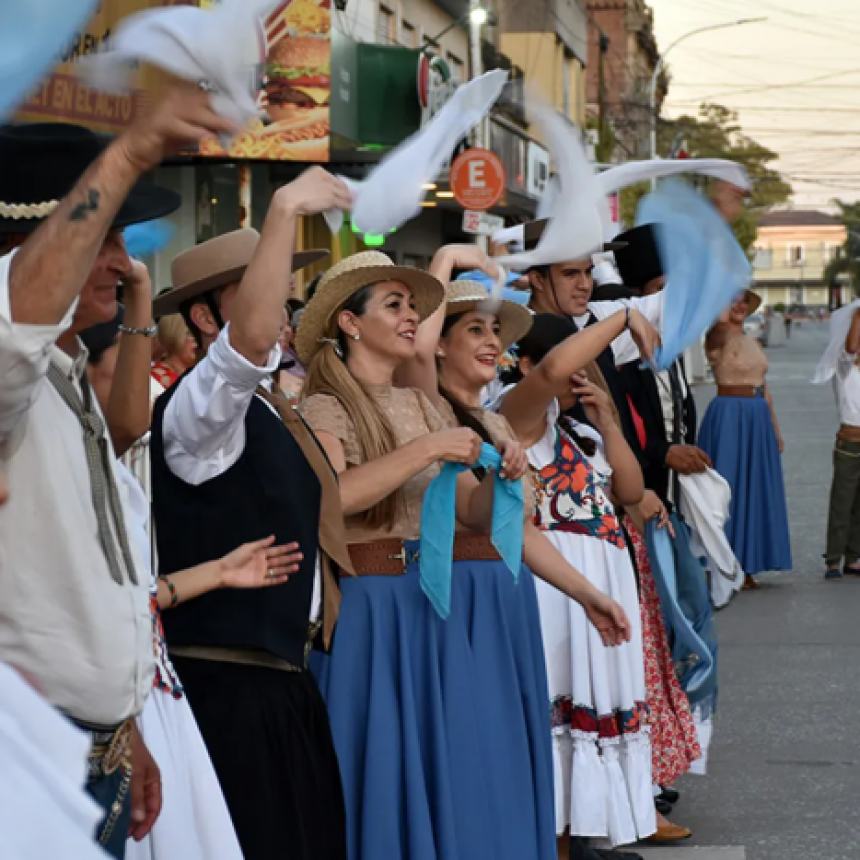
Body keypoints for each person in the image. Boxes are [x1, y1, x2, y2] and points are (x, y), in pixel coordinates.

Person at [0, 83, 233, 859]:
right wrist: (128, 150)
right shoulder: (14, 374)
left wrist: (126, 722)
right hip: (30, 758)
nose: (126, 263)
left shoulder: (67, 371)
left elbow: (94, 571)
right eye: (105, 236)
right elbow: (14, 329)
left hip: (92, 749)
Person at [298, 249, 562, 860]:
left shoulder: (424, 405)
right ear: (350, 322)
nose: (412, 316)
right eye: (395, 305)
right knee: (385, 772)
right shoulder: (323, 407)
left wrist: (509, 475)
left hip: (426, 603)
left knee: (446, 767)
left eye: (414, 305)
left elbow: (471, 511)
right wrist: (426, 451)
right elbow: (331, 503)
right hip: (369, 607)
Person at [149, 171, 352, 860]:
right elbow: (246, 348)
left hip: (279, 683)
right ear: (205, 317)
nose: (283, 300)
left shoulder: (266, 404)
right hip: (226, 689)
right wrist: (287, 207)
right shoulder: (197, 411)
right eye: (258, 282)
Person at [80, 298, 290, 860]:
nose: (139, 384)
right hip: (99, 699)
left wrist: (219, 571)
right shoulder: (66, 461)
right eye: (122, 363)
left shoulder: (109, 464)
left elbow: (136, 595)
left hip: (150, 693)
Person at [496, 313, 666, 854]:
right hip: (557, 594)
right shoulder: (513, 419)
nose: (580, 376)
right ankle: (555, 840)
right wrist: (623, 317)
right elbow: (550, 371)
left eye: (590, 367)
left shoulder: (583, 432)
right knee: (558, 715)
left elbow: (632, 490)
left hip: (601, 587)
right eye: (577, 365)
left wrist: (610, 422)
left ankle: (581, 837)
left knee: (595, 713)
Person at [700, 290, 792, 587]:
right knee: (727, 487)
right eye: (733, 299)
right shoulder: (718, 336)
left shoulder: (752, 341)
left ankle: (748, 563)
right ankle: (723, 563)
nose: (739, 305)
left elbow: (763, 386)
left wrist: (775, 428)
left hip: (757, 417)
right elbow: (715, 336)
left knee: (753, 488)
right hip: (728, 416)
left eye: (744, 301)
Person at [819, 304, 860, 579]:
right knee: (843, 501)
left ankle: (854, 556)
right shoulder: (845, 366)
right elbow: (852, 347)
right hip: (850, 444)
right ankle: (834, 558)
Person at [151, 314, 197, 389]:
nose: (198, 340)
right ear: (174, 335)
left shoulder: (201, 372)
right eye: (190, 333)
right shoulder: (155, 380)